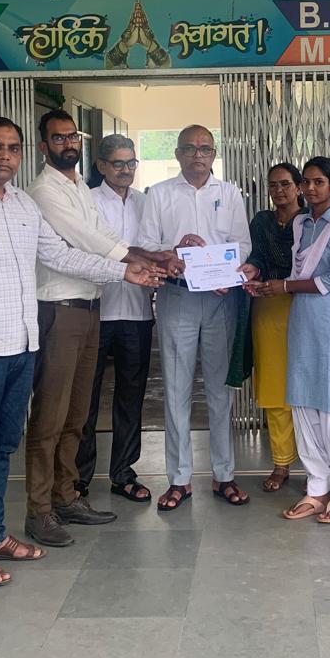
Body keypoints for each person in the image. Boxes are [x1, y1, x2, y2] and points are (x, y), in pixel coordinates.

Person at [0, 118, 160, 586]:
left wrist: (126, 272)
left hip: (22, 340)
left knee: (4, 445)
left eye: (11, 148)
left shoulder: (20, 203)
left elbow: (58, 253)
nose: (5, 156)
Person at [25, 110, 172, 547]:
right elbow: (84, 241)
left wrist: (149, 256)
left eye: (72, 136)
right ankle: (40, 510)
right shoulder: (44, 191)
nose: (67, 143)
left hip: (90, 305)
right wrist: (132, 266)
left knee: (77, 413)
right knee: (51, 416)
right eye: (58, 138)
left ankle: (67, 495)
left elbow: (102, 232)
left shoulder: (75, 188)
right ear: (43, 146)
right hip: (60, 308)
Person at [137, 125, 253, 510]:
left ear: (214, 153)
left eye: (205, 148)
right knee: (176, 388)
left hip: (221, 300)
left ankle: (224, 474)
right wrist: (175, 249)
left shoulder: (230, 193)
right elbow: (146, 245)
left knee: (220, 389)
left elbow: (242, 245)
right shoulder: (159, 194)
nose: (197, 154)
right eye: (189, 148)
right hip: (178, 297)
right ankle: (179, 480)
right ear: (177, 154)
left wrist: (224, 274)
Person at [255, 157, 330, 524]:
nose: (311, 188)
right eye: (306, 182)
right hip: (301, 320)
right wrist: (267, 283)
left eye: (319, 182)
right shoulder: (302, 223)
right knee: (303, 404)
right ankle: (317, 487)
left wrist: (284, 286)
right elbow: (294, 269)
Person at [77, 135, 157, 504]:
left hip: (137, 312)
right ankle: (78, 477)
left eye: (131, 163)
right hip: (96, 310)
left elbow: (155, 249)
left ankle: (123, 473)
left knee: (131, 395)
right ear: (101, 166)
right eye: (118, 163)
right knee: (85, 397)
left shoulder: (146, 203)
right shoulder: (87, 201)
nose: (126, 170)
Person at [238, 163, 303, 492]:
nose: (279, 190)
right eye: (273, 185)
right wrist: (253, 270)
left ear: (299, 187)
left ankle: (317, 466)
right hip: (267, 308)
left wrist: (285, 284)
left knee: (307, 389)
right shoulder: (261, 221)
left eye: (285, 184)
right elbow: (258, 256)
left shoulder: (312, 220)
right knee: (275, 389)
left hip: (305, 307)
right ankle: (281, 463)